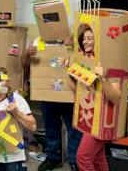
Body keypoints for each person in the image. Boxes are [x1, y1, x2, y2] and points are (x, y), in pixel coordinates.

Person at [30, 37, 82, 171]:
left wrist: (75, 45)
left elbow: (84, 60)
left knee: (74, 130)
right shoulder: (38, 41)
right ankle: (53, 158)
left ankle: (75, 161)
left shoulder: (71, 38)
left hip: (68, 94)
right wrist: (28, 54)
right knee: (51, 129)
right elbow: (31, 65)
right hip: (48, 95)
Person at [62, 58, 121, 171]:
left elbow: (116, 99)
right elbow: (76, 90)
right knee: (98, 159)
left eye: (89, 38)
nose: (85, 41)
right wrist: (67, 70)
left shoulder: (111, 65)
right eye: (84, 38)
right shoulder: (87, 64)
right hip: (90, 120)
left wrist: (102, 78)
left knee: (83, 157)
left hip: (100, 123)